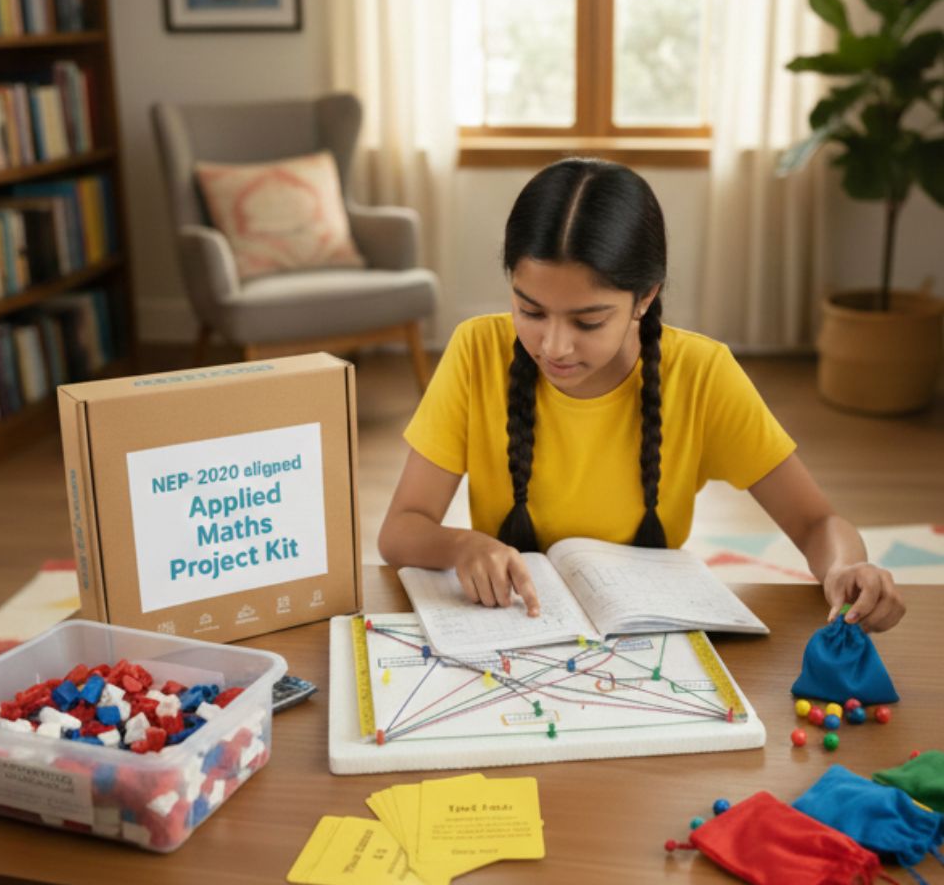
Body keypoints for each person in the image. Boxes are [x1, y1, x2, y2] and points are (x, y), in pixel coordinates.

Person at [378, 158, 906, 633]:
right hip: (507, 632)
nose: (554, 346)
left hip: (648, 642)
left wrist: (845, 568)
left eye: (588, 320)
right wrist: (463, 544)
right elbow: (401, 529)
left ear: (645, 296)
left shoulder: (702, 373)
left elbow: (817, 523)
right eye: (531, 311)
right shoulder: (476, 351)